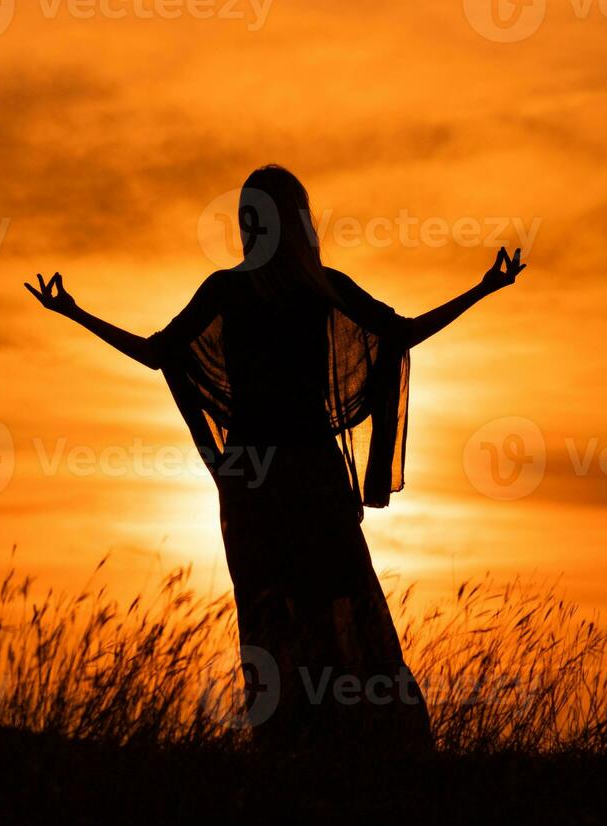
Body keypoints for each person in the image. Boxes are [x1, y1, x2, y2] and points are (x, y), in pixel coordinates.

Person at [26, 164, 527, 752]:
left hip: (259, 478)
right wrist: (74, 312)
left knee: (277, 610)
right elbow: (403, 334)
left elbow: (157, 354)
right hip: (302, 475)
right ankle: (351, 742)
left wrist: (75, 313)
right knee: (332, 602)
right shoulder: (300, 288)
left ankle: (298, 741)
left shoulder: (250, 290)